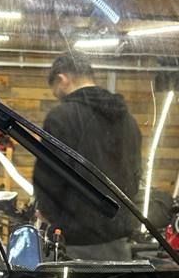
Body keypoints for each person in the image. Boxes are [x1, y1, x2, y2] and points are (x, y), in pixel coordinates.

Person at [32, 53, 142, 260]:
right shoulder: (128, 120)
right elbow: (135, 176)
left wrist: (46, 213)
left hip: (73, 245)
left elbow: (49, 178)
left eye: (56, 92)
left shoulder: (61, 117)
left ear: (62, 79)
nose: (58, 97)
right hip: (119, 245)